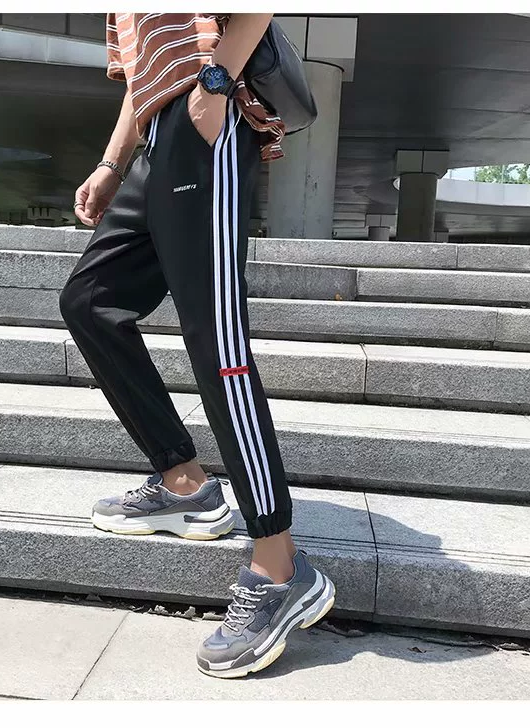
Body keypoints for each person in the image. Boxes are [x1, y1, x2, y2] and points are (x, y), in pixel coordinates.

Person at [60, 13, 335, 679]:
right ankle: (185, 483)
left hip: (209, 120)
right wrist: (111, 163)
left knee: (217, 342)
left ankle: (280, 566)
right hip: (158, 140)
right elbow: (141, 75)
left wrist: (214, 85)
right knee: (90, 301)